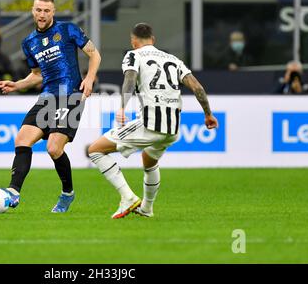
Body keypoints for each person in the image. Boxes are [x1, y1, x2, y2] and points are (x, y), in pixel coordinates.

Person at [87, 23, 218, 219]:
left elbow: (130, 80)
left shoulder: (134, 55)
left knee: (95, 150)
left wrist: (122, 106)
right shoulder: (173, 60)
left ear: (133, 41)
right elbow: (197, 87)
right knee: (149, 160)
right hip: (172, 127)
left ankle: (128, 197)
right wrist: (208, 114)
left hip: (150, 123)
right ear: (153, 40)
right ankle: (147, 208)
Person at [0, 0, 101, 213]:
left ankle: (67, 194)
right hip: (47, 96)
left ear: (53, 12)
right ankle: (13, 192)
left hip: (70, 93)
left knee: (53, 148)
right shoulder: (29, 42)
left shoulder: (68, 29)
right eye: (38, 10)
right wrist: (16, 85)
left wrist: (89, 78)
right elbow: (36, 75)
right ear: (33, 11)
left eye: (46, 10)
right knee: (22, 140)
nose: (42, 14)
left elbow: (95, 55)